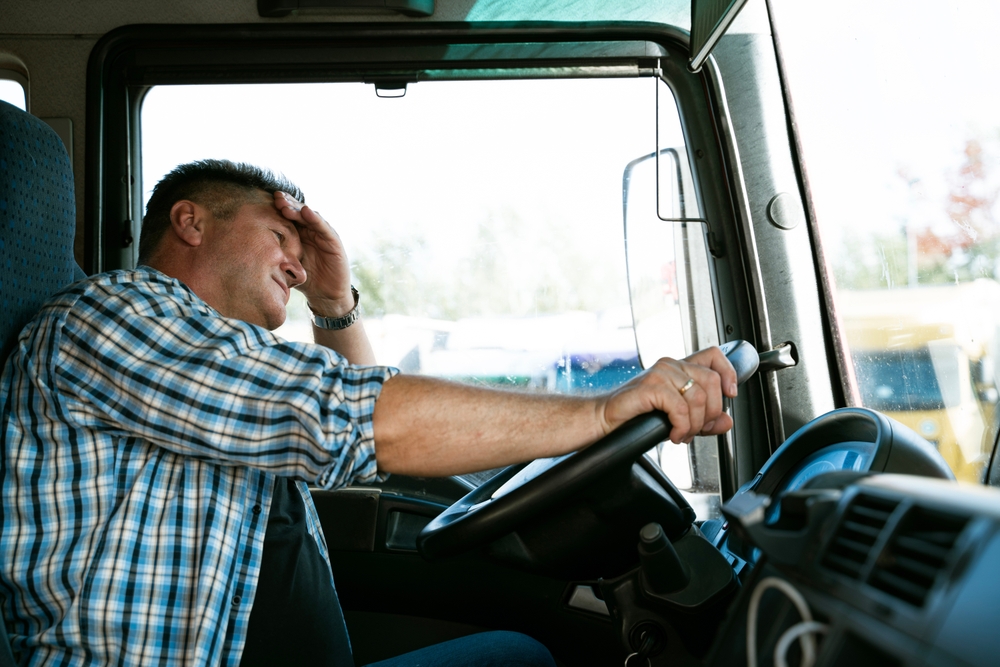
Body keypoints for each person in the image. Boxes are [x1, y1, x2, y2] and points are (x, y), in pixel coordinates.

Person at [0, 160, 738, 666]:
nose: (297, 262)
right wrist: (607, 410)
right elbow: (356, 415)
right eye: (281, 238)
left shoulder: (211, 359)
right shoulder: (117, 317)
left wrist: (332, 301)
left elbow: (368, 441)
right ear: (190, 222)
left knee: (520, 652)